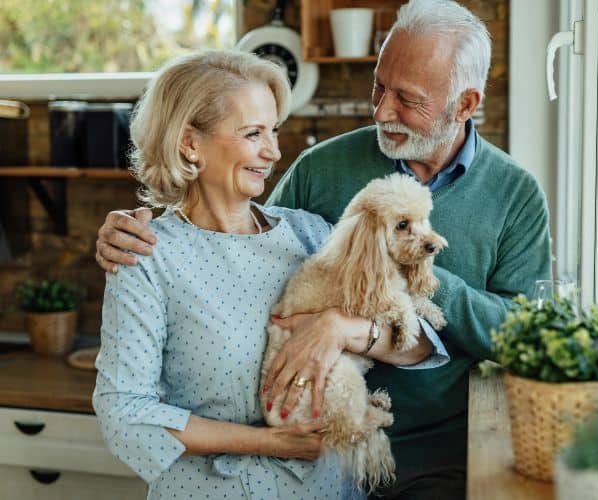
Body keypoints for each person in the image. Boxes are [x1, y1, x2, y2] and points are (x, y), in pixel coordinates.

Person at [96, 1, 553, 497]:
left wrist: (369, 310)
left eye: (407, 98)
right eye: (379, 86)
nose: (380, 111)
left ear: (464, 105)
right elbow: (224, 227)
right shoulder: (316, 177)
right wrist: (138, 228)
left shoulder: (511, 196)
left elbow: (481, 338)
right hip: (294, 469)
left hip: (426, 457)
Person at [92, 49, 448, 500]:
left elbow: (418, 346)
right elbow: (123, 411)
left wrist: (341, 329)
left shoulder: (309, 233)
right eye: (252, 133)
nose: (273, 151)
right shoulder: (145, 256)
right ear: (189, 143)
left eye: (274, 131)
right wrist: (270, 443)